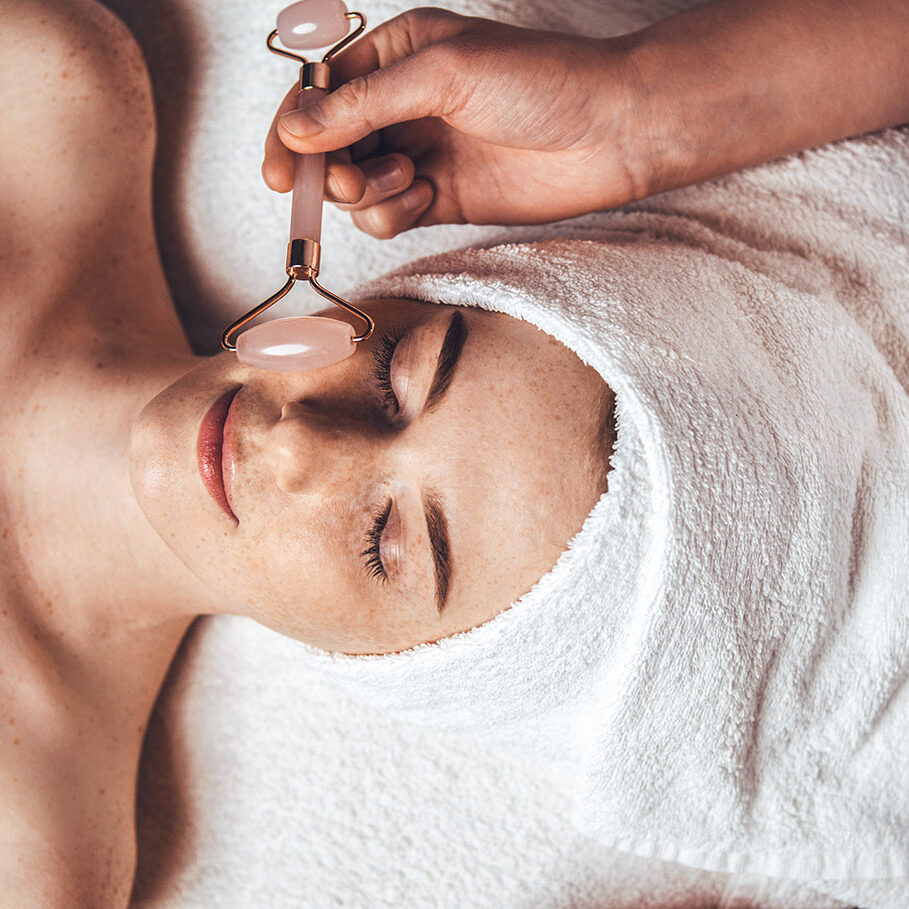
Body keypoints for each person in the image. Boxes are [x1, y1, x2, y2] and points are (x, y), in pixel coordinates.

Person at [1, 0, 907, 904]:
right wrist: (641, 102)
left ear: (412, 674)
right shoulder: (42, 94)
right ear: (429, 285)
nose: (298, 445)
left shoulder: (29, 850)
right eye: (399, 371)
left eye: (383, 543)